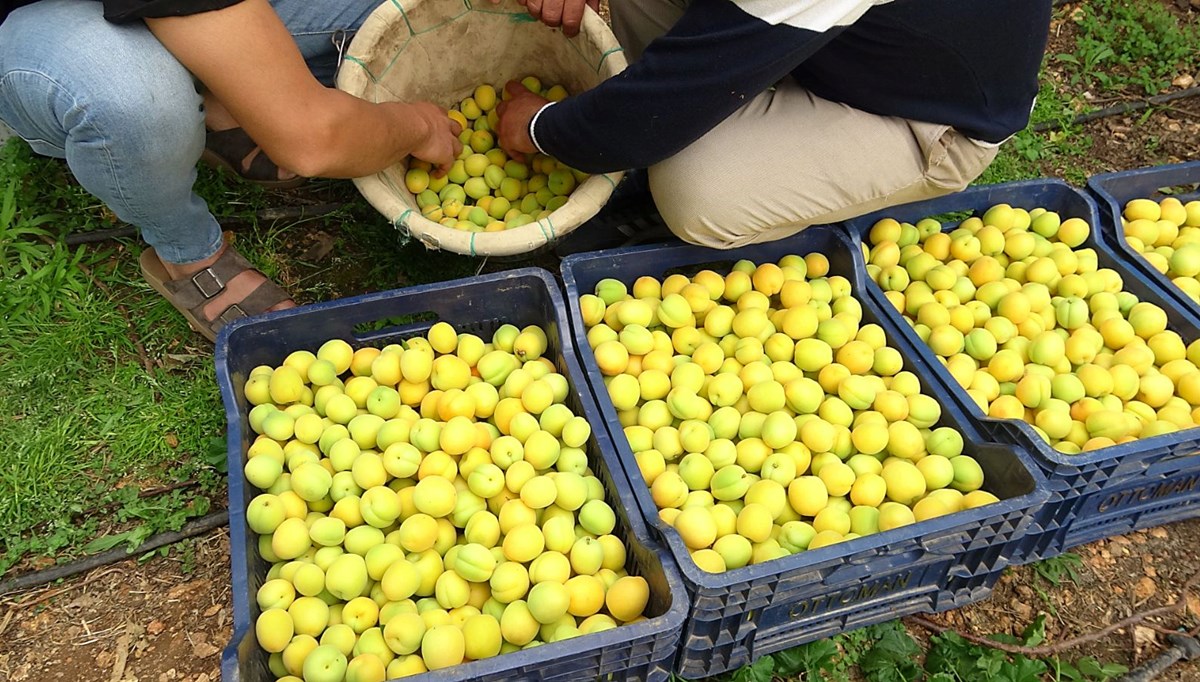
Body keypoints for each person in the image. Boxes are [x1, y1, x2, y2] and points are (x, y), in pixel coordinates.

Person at [0, 0, 462, 341]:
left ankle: (220, 101)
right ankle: (187, 252)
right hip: (44, 21)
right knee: (134, 105)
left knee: (402, 16)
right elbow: (313, 139)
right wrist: (417, 127)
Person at [497, 0, 1053, 249]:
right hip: (841, 43)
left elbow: (648, 119)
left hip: (925, 118)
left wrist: (541, 128)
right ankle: (730, 103)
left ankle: (709, 177)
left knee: (695, 189)